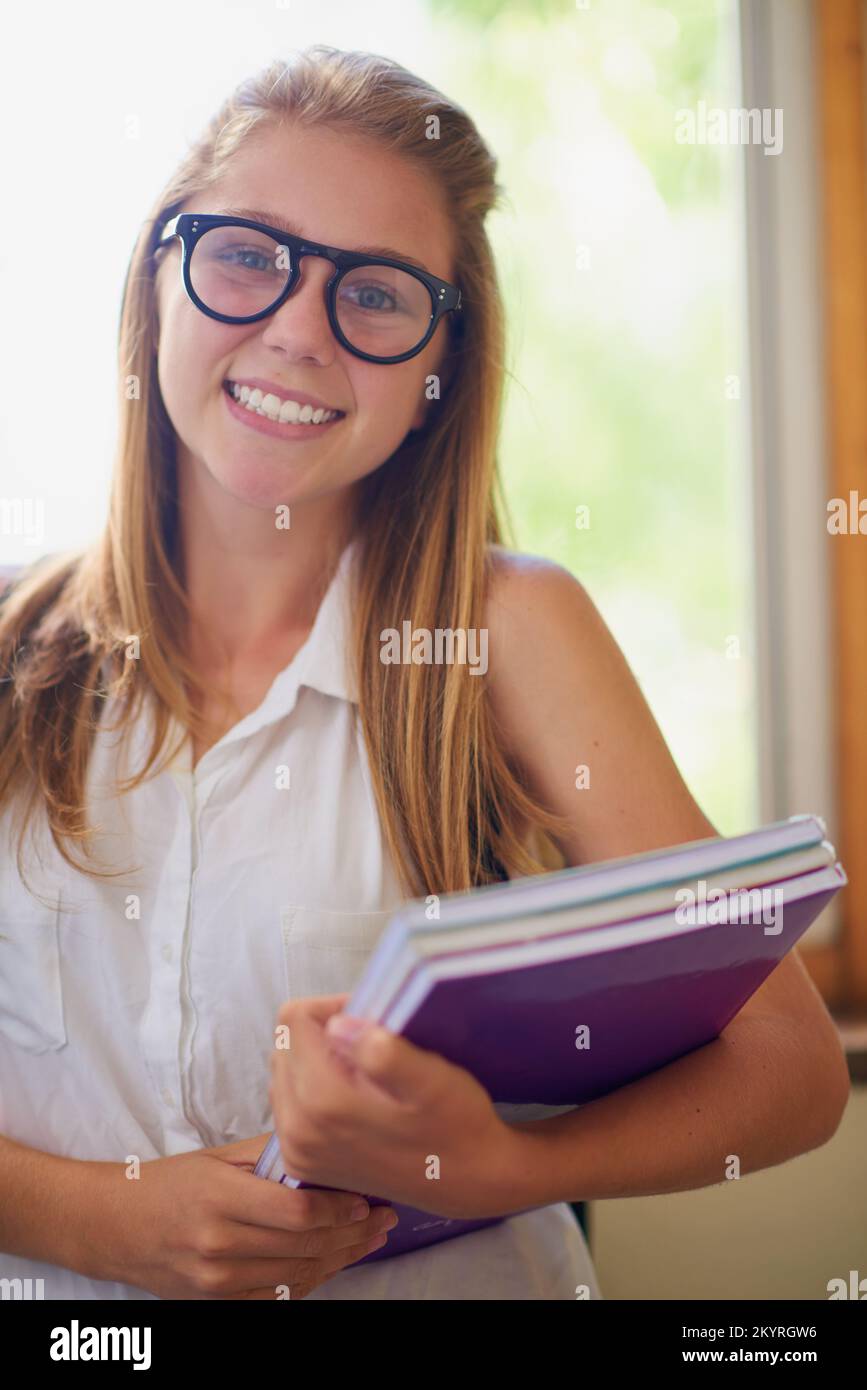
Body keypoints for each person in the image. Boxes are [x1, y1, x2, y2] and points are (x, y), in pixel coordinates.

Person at [0, 46, 849, 1303]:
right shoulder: (10, 646)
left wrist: (500, 1163)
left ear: (437, 374)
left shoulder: (511, 630)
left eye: (380, 294)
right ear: (159, 277)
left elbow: (790, 1068)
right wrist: (90, 1219)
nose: (296, 329)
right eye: (248, 254)